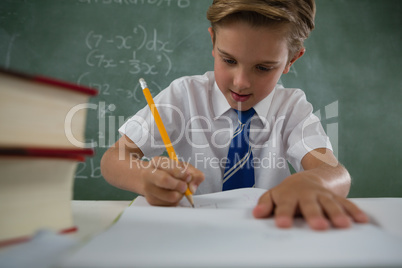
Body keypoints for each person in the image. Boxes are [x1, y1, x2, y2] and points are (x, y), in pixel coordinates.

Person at [101, 0, 368, 230]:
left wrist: (312, 181)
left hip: (268, 236)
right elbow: (114, 159)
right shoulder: (183, 96)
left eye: (263, 68)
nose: (241, 82)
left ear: (291, 60)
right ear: (213, 42)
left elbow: (333, 171)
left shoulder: (291, 108)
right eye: (228, 60)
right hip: (188, 234)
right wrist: (144, 177)